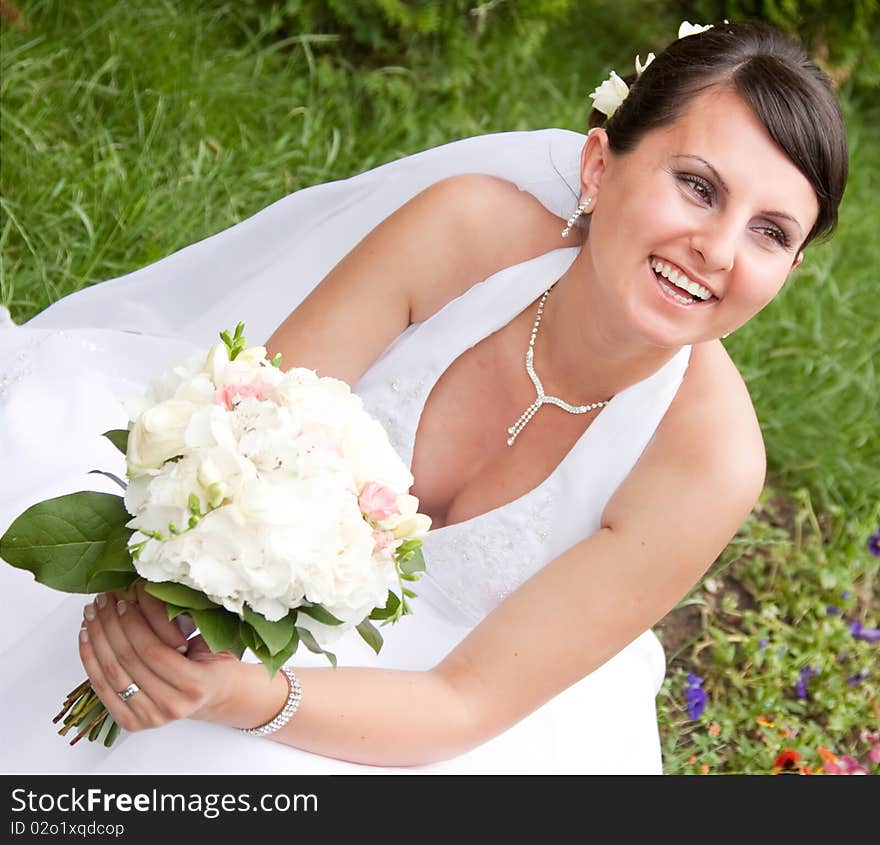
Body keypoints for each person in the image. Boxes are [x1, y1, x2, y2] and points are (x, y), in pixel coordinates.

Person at [0, 20, 847, 774]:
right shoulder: (465, 234)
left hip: (445, 702)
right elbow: (244, 432)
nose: (718, 249)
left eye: (771, 232)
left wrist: (236, 693)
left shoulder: (709, 459)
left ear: (790, 268)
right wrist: (158, 587)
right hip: (256, 593)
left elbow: (464, 702)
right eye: (698, 186)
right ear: (599, 164)